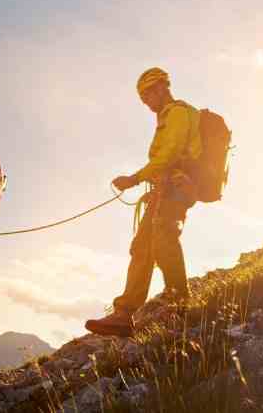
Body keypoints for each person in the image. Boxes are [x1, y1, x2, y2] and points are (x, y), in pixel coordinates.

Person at [85, 68, 201, 338]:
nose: (146, 102)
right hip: (164, 189)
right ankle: (124, 315)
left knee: (163, 238)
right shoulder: (166, 117)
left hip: (179, 188)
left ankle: (179, 304)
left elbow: (170, 154)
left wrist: (135, 179)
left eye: (148, 95)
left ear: (161, 88)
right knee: (142, 247)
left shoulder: (179, 113)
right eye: (143, 98)